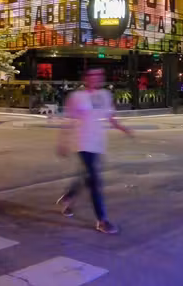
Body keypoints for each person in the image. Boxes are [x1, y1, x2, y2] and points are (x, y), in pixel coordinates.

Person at [56, 68, 132, 234]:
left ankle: (68, 198)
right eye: (93, 75)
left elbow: (110, 117)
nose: (97, 78)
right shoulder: (77, 97)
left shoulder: (105, 95)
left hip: (98, 143)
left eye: (100, 75)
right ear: (85, 78)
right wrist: (63, 142)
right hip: (82, 142)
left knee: (86, 175)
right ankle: (102, 220)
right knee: (95, 180)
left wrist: (123, 128)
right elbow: (68, 120)